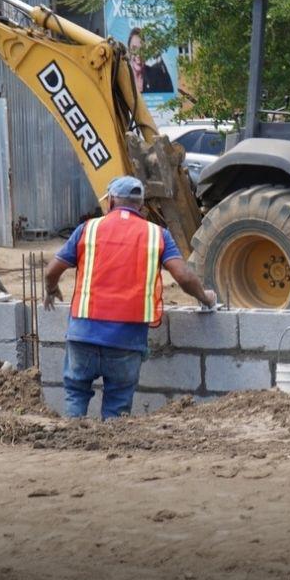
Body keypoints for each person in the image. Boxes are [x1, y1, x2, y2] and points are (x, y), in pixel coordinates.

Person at [42, 175, 216, 419]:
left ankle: (73, 449)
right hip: (126, 340)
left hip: (83, 334)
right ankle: (111, 450)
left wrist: (51, 289)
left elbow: (51, 271)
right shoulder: (158, 235)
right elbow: (184, 277)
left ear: (111, 201)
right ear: (141, 206)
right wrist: (205, 298)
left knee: (76, 394)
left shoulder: (88, 229)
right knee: (117, 407)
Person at [127, 28, 174, 94]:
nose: (138, 55)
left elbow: (169, 94)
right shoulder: (122, 78)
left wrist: (159, 58)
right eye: (134, 49)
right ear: (129, 51)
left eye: (142, 49)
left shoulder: (156, 75)